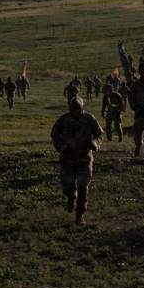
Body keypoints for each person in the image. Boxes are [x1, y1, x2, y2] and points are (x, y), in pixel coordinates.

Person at [51, 96, 104, 225]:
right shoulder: (63, 120)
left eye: (78, 107)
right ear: (70, 108)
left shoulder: (90, 119)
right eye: (74, 107)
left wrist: (95, 143)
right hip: (67, 160)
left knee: (83, 187)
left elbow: (99, 134)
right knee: (68, 186)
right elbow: (54, 135)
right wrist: (62, 148)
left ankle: (79, 215)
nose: (76, 110)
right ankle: (70, 197)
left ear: (83, 107)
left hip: (84, 159)